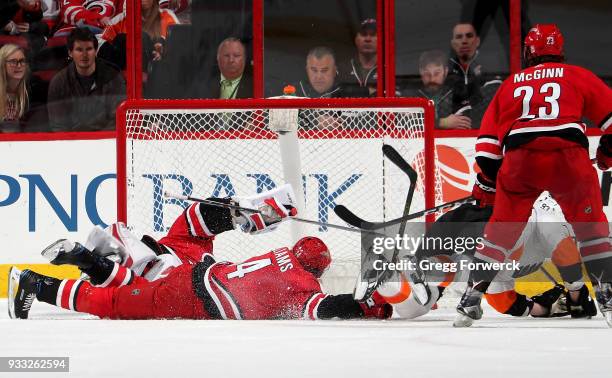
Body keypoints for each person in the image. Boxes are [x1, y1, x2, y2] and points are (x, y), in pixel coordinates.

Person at [9, 185, 392, 321]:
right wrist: (364, 304)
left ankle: (92, 261)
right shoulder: (303, 285)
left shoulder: (282, 254)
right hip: (192, 292)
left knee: (188, 232)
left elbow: (193, 221)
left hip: (195, 264)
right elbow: (323, 309)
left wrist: (234, 212)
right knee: (113, 301)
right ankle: (45, 280)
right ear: (318, 271)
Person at [454, 24, 612, 327]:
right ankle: (607, 298)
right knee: (591, 228)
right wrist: (606, 154)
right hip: (569, 159)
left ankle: (469, 302)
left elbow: (487, 152)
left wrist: (489, 186)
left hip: (520, 161)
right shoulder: (577, 75)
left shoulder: (511, 84)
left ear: (528, 52)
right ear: (560, 52)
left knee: (500, 230)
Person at [376, 193, 596, 320]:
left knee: (417, 307)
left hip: (462, 222)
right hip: (485, 236)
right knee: (456, 270)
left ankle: (386, 282)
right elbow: (564, 252)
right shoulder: (552, 221)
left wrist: (542, 308)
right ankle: (412, 272)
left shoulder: (544, 217)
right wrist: (574, 297)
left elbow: (502, 299)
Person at [47, 27, 125, 131]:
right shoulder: (59, 82)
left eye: (89, 49)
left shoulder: (113, 77)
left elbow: (117, 121)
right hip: (72, 142)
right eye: (79, 49)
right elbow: (58, 126)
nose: (84, 55)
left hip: (105, 142)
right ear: (70, 53)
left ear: (96, 50)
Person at [97, 0, 179, 71]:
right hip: (124, 79)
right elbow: (98, 42)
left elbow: (181, 47)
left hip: (157, 78)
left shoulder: (168, 17)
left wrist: (163, 51)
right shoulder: (120, 20)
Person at [403, 50, 471, 130]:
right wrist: (442, 123)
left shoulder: (457, 93)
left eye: (437, 73)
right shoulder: (410, 95)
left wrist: (425, 122)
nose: (432, 79)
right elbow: (405, 122)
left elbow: (465, 123)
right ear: (420, 72)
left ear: (445, 72)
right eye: (427, 73)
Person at [447, 23, 485, 123]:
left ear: (477, 41)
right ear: (452, 43)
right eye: (459, 37)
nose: (464, 41)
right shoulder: (444, 71)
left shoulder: (492, 67)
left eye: (469, 36)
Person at [338, 18, 377, 97]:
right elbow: (335, 94)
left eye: (373, 35)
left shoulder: (390, 69)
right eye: (363, 34)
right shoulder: (342, 68)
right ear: (356, 40)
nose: (368, 39)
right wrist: (366, 91)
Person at [0, 44, 29, 132]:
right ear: (2, 65)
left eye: (22, 61)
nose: (19, 66)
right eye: (13, 61)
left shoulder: (32, 90)